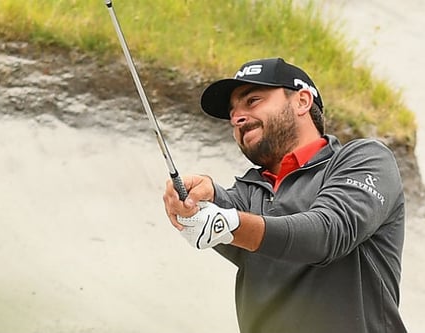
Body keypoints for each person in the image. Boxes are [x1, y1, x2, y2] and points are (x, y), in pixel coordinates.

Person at [162, 57, 406, 333]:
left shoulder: (364, 159)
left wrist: (230, 223)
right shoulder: (248, 193)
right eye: (232, 112)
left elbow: (328, 232)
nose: (237, 117)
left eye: (252, 100)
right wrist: (198, 199)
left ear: (302, 101)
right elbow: (226, 206)